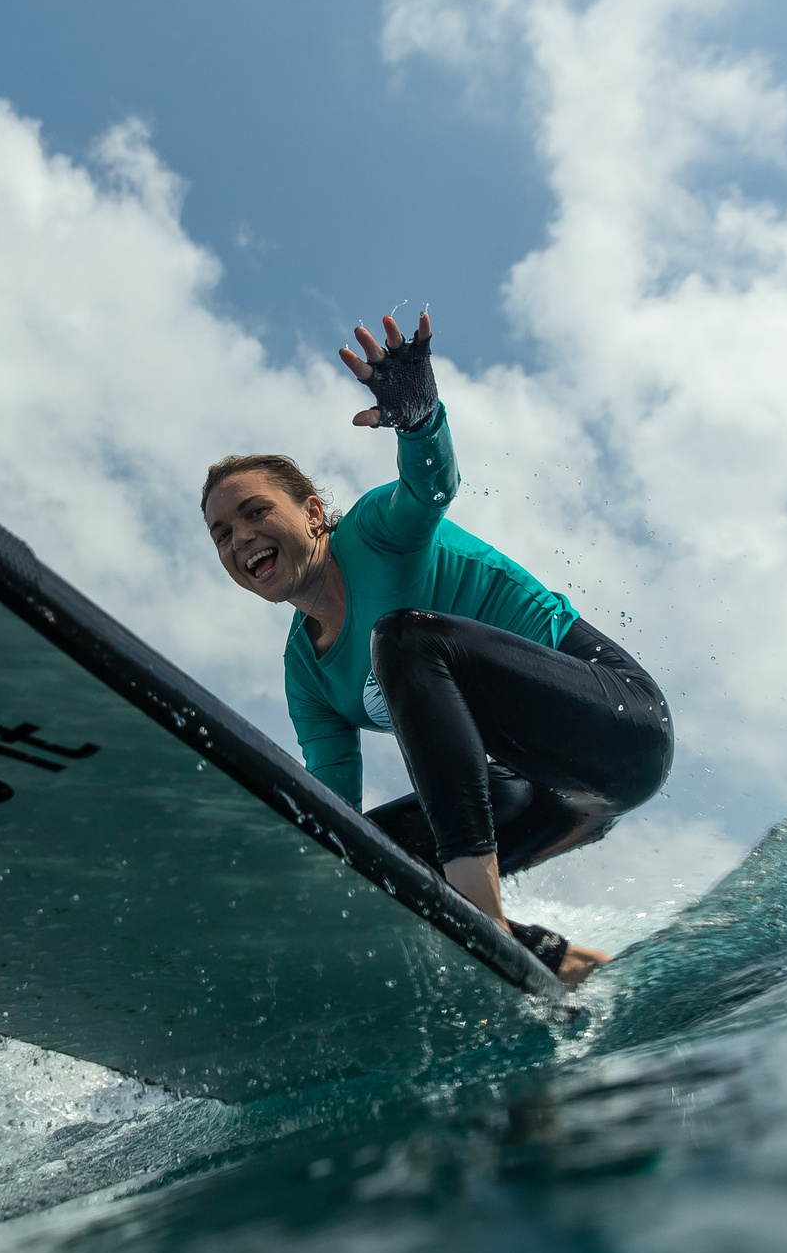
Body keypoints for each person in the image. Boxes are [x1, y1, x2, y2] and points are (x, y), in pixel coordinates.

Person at [201, 312, 672, 984]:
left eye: (254, 512)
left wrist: (418, 415)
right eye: (221, 533)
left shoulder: (372, 534)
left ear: (312, 513)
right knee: (367, 859)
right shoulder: (304, 671)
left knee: (404, 638)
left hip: (620, 727)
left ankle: (484, 925)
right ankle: (562, 966)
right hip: (539, 798)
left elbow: (432, 485)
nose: (240, 537)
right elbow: (334, 819)